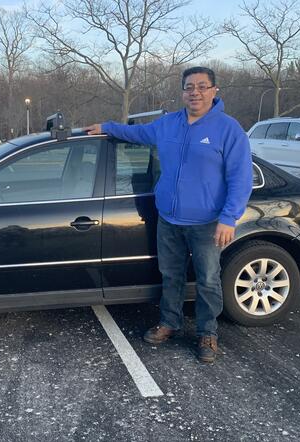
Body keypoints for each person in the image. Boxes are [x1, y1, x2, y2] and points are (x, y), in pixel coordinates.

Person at [85, 66, 253, 363]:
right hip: (170, 220)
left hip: (207, 223)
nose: (195, 92)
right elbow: (136, 132)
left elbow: (241, 178)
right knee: (171, 275)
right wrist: (108, 127)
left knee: (208, 280)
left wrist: (229, 218)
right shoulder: (169, 124)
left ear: (214, 91)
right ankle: (169, 323)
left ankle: (207, 334)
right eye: (189, 87)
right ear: (182, 92)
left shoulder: (228, 129)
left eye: (202, 86)